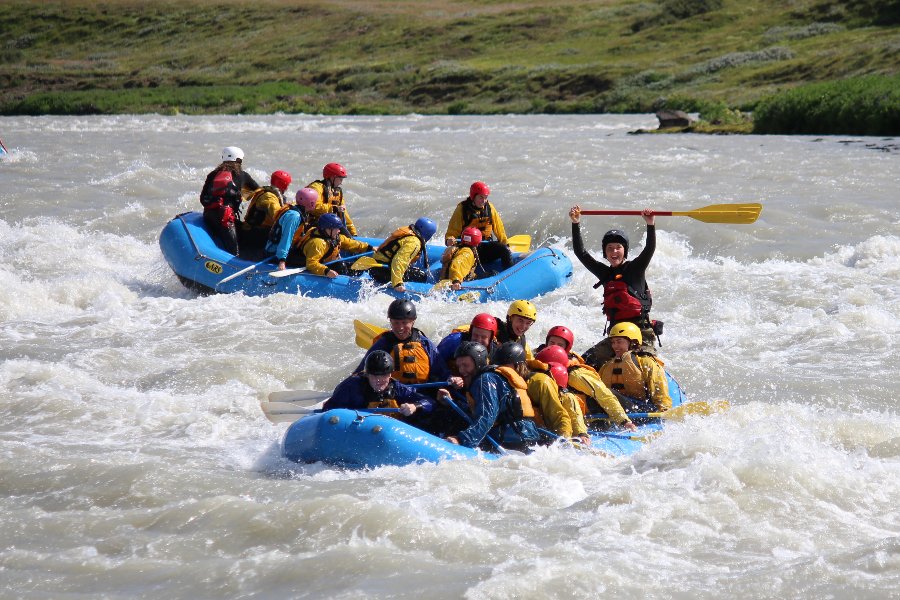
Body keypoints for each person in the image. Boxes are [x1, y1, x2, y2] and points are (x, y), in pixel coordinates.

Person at [569, 205, 660, 369]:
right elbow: (580, 252)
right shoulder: (604, 273)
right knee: (584, 362)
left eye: (618, 247)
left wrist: (650, 223)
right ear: (605, 252)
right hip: (617, 335)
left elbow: (649, 249)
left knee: (646, 367)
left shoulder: (635, 269)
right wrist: (576, 223)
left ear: (625, 251)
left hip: (640, 333)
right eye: (609, 248)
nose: (614, 251)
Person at [536, 325, 637, 432]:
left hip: (597, 408)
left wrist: (624, 421)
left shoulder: (575, 373)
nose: (555, 347)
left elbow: (602, 394)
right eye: (552, 343)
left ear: (567, 349)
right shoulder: (539, 360)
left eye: (560, 345)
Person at [445, 341, 540, 452]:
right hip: (525, 438)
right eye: (459, 366)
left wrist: (462, 440)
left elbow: (487, 416)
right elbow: (483, 412)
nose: (461, 370)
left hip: (512, 442)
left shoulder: (485, 380)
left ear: (478, 363)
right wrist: (450, 402)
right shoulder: (492, 378)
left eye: (466, 365)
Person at [322, 350, 440, 427]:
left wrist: (415, 406)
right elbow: (328, 410)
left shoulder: (396, 388)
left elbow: (430, 402)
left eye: (383, 375)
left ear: (390, 375)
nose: (379, 380)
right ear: (367, 374)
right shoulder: (351, 387)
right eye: (374, 376)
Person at [355, 299, 454, 386]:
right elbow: (361, 371)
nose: (400, 328)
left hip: (422, 395)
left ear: (413, 321)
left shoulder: (425, 344)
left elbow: (441, 370)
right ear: (390, 322)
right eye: (396, 323)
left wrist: (451, 378)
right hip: (392, 394)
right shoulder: (383, 344)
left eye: (404, 322)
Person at [597, 322, 672, 415]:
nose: (615, 346)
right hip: (615, 409)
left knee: (608, 393)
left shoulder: (646, 363)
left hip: (640, 408)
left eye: (619, 341)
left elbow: (659, 391)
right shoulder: (606, 366)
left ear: (633, 342)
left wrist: (664, 411)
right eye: (613, 342)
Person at [199, 146, 260, 255]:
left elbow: (202, 199)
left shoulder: (212, 174)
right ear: (239, 160)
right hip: (225, 218)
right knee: (234, 251)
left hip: (208, 215)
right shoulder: (242, 175)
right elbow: (258, 190)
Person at [526, 346, 590, 445]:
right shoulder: (535, 381)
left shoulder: (566, 397)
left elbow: (573, 416)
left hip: (551, 428)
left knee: (568, 398)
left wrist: (581, 434)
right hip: (534, 429)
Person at [444, 181, 512, 270]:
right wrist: (449, 240)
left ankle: (508, 274)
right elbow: (452, 232)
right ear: (473, 196)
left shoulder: (490, 208)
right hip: (467, 248)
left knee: (504, 250)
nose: (483, 201)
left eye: (485, 198)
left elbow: (499, 229)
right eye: (481, 197)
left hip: (485, 246)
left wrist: (505, 244)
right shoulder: (462, 209)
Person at [365, 217, 437, 292]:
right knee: (421, 275)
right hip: (383, 272)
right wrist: (397, 283)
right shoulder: (414, 243)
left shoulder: (409, 232)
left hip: (376, 267)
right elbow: (399, 261)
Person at [293, 213, 373, 275]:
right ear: (327, 229)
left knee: (352, 267)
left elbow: (351, 243)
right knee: (341, 267)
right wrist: (326, 271)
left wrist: (369, 247)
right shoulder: (317, 243)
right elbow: (311, 264)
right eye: (336, 228)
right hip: (314, 265)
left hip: (328, 262)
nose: (339, 231)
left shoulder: (335, 237)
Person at [265, 187, 319, 271]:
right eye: (315, 202)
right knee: (309, 262)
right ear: (311, 203)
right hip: (274, 253)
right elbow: (286, 237)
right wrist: (282, 260)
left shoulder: (301, 212)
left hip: (287, 250)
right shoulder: (294, 216)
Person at [241, 170, 292, 253]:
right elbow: (277, 215)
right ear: (284, 185)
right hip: (253, 233)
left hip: (257, 231)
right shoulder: (269, 197)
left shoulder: (272, 194)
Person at [308, 162, 357, 236]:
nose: (341, 182)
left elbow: (344, 214)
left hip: (330, 225)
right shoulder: (316, 187)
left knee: (348, 236)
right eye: (340, 179)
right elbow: (313, 207)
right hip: (314, 224)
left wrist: (353, 233)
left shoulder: (337, 192)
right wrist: (334, 209)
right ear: (332, 177)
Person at [436, 227, 482, 291]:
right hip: (452, 281)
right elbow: (456, 264)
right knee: (492, 274)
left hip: (445, 278)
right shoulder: (467, 253)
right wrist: (456, 281)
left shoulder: (457, 248)